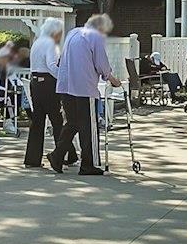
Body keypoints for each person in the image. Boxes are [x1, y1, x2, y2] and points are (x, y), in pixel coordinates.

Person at [53, 13, 122, 175]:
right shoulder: (95, 37)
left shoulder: (72, 33)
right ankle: (88, 164)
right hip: (83, 88)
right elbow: (101, 63)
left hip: (66, 86)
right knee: (89, 127)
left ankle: (57, 156)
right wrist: (111, 78)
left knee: (72, 123)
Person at [24, 18, 66, 170]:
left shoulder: (37, 42)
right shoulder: (50, 44)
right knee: (56, 120)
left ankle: (32, 158)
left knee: (37, 121)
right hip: (48, 83)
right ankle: (63, 155)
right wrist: (63, 78)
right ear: (55, 32)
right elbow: (52, 66)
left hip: (35, 83)